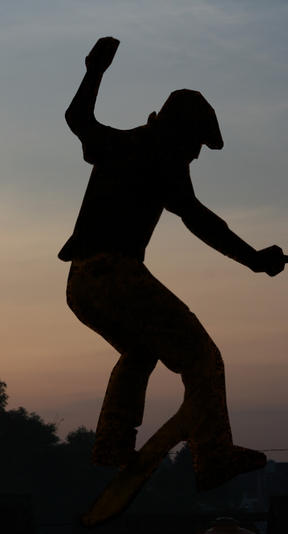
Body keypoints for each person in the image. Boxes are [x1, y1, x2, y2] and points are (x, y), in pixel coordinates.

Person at [60, 36, 285, 490]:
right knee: (203, 358)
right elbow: (200, 221)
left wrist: (94, 71)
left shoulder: (122, 144)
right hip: (115, 274)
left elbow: (79, 120)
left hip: (80, 285)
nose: (197, 155)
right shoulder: (160, 155)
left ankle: (111, 443)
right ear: (178, 131)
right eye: (196, 143)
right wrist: (255, 260)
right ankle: (213, 454)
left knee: (140, 351)